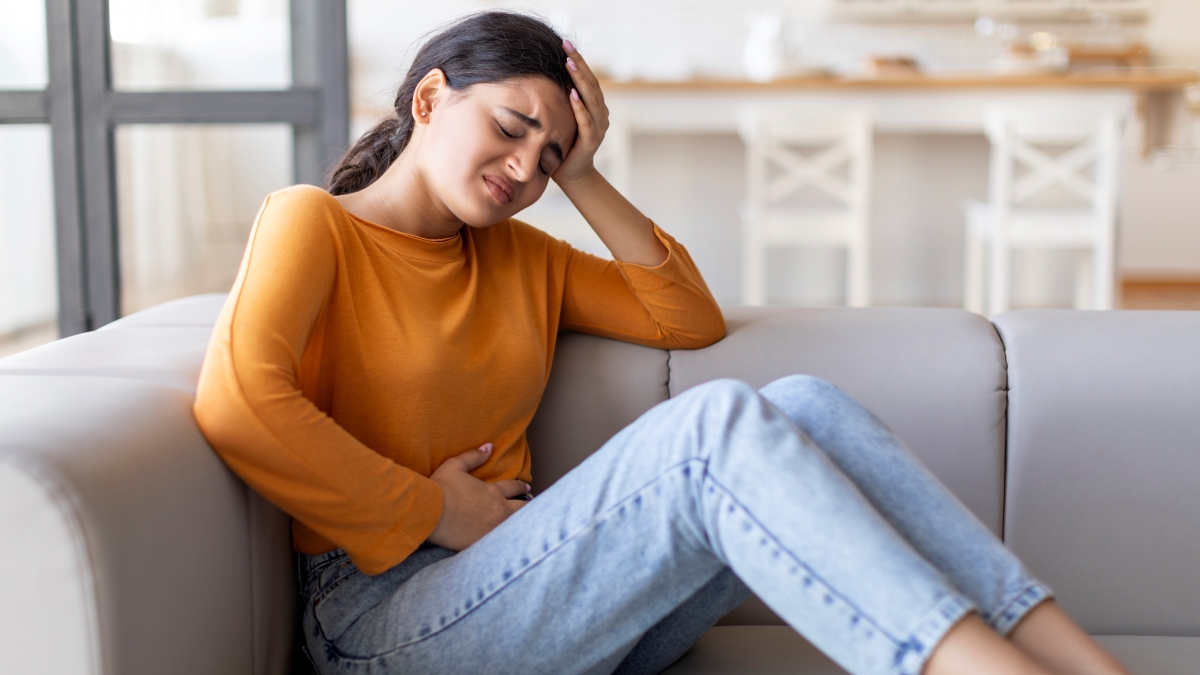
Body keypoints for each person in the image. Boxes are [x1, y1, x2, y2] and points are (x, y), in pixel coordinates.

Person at [193, 11, 1129, 675]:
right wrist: (431, 511)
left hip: (547, 608)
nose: (524, 171)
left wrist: (586, 175)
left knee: (804, 405)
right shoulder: (313, 223)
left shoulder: (522, 257)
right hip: (385, 623)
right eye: (511, 128)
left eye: (548, 156)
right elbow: (239, 402)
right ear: (432, 98)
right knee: (716, 423)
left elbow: (687, 315)